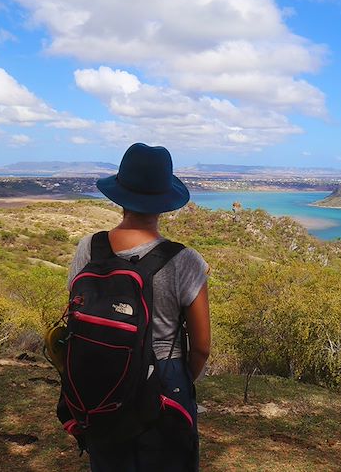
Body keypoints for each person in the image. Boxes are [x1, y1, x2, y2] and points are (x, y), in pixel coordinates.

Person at [65, 143, 211, 471]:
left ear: (119, 195)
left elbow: (77, 314)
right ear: (164, 202)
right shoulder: (184, 261)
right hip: (164, 380)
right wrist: (182, 381)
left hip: (103, 379)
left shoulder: (89, 248)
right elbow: (201, 347)